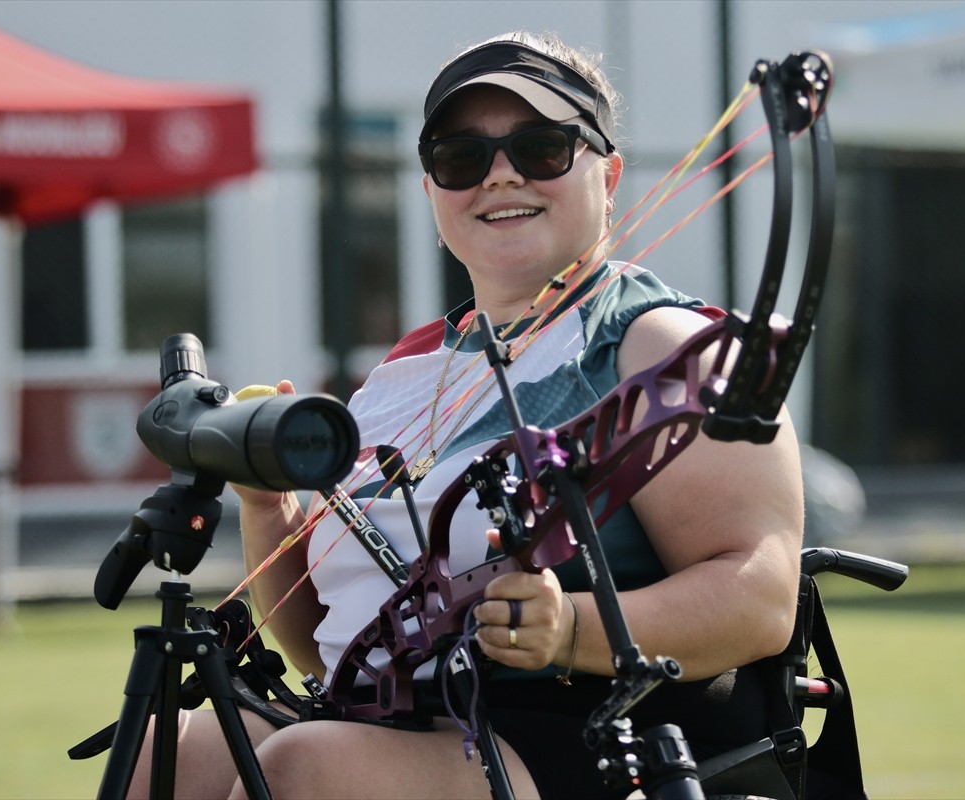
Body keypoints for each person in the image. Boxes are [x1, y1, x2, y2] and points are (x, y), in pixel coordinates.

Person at [128, 31, 804, 800]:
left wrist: (570, 627)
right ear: (431, 191)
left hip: (585, 732)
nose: (500, 174)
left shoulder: (661, 344)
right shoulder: (404, 371)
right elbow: (328, 650)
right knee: (172, 753)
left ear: (609, 175)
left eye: (542, 147)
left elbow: (760, 597)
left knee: (304, 770)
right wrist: (268, 506)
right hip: (397, 721)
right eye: (461, 158)